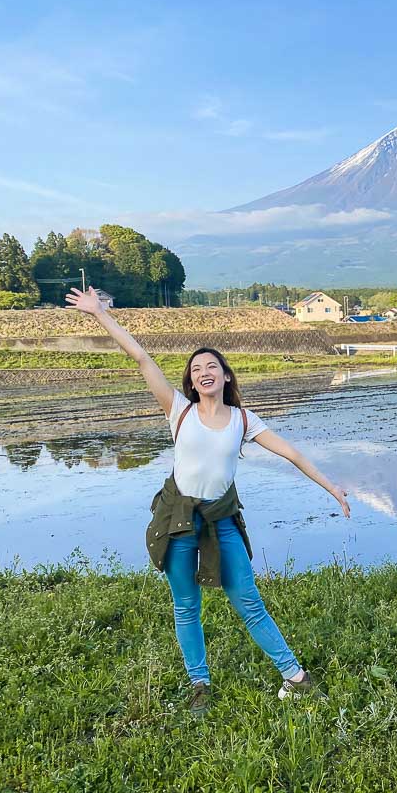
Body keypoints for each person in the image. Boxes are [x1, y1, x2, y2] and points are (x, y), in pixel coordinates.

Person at [66, 287, 350, 715]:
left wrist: (331, 487)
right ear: (191, 380)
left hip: (221, 518)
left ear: (226, 376)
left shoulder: (243, 419)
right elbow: (142, 358)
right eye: (196, 368)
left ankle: (296, 678)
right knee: (186, 604)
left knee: (247, 598)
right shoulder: (177, 409)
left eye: (211, 366)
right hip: (178, 516)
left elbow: (291, 453)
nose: (204, 372)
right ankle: (200, 684)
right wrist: (99, 315)